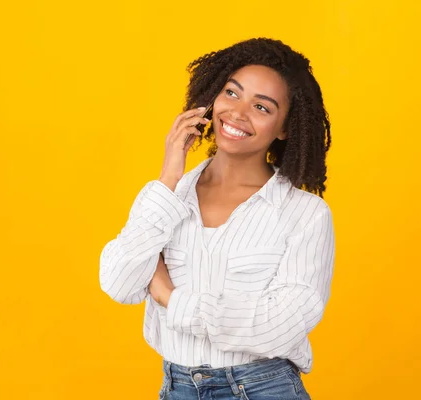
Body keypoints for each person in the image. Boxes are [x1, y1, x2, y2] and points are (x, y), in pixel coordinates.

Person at [99, 37, 335, 400]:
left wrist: (168, 296)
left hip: (264, 389)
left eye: (262, 106)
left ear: (284, 128)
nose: (238, 113)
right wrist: (168, 176)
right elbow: (118, 283)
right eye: (232, 92)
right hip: (177, 388)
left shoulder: (304, 214)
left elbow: (280, 327)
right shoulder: (167, 199)